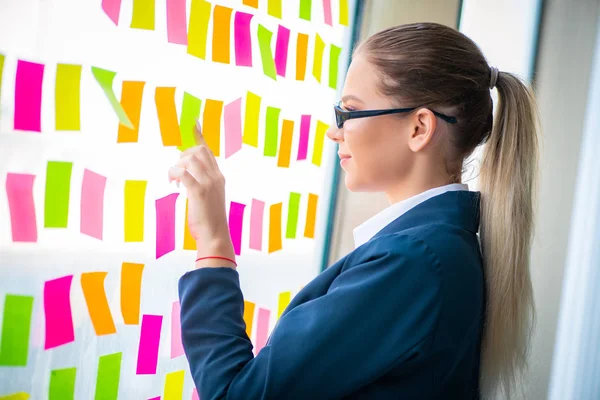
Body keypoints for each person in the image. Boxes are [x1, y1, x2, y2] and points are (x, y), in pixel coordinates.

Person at [169, 22, 539, 400]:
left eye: (349, 112)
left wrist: (214, 241)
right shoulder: (438, 250)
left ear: (419, 128)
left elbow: (236, 395)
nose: (334, 132)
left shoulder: (413, 263)